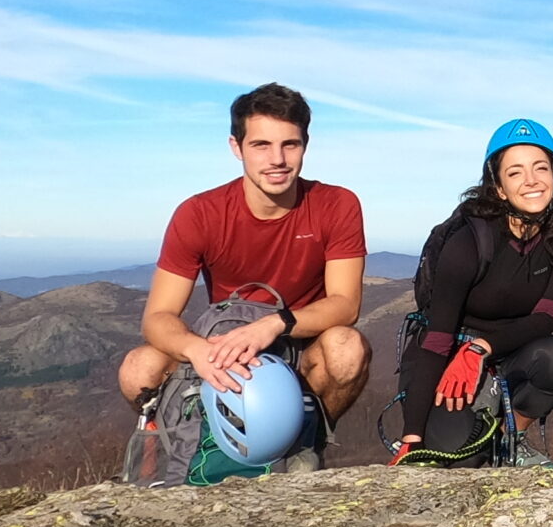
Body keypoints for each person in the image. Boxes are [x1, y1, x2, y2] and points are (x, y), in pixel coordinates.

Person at [119, 82, 370, 470]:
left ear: (306, 144)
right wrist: (198, 351)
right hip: (222, 340)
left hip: (297, 339)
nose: (278, 159)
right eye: (261, 145)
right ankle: (174, 442)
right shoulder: (200, 213)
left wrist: (275, 324)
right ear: (236, 147)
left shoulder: (336, 205)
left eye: (290, 144)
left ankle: (309, 440)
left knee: (346, 349)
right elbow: (157, 317)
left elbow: (345, 304)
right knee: (138, 368)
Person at [392, 118, 553, 468]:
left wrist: (483, 348)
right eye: (515, 173)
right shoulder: (469, 243)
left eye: (541, 167)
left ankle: (513, 438)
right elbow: (436, 340)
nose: (531, 180)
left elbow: (545, 318)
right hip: (448, 351)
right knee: (463, 456)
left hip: (505, 351)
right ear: (498, 187)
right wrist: (412, 436)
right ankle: (460, 434)